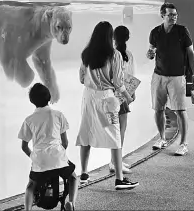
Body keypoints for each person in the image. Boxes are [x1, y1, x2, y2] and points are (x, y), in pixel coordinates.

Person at [76, 21, 139, 190]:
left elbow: (81, 78)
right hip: (107, 99)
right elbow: (118, 82)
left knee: (86, 133)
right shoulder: (115, 54)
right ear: (110, 36)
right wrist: (128, 96)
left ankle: (83, 174)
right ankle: (119, 179)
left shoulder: (86, 53)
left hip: (88, 97)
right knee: (114, 136)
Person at [146, 2, 194, 156]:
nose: (173, 17)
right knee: (158, 110)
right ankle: (162, 138)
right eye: (170, 15)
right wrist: (149, 54)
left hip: (177, 77)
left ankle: (183, 144)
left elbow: (191, 53)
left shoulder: (182, 31)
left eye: (175, 15)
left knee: (180, 110)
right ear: (162, 15)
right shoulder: (155, 32)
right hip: (158, 76)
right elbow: (150, 51)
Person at [18, 83, 78, 211]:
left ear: (32, 101)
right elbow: (65, 142)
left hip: (39, 161)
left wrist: (33, 157)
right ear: (49, 97)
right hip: (58, 158)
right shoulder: (58, 115)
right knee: (73, 177)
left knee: (30, 186)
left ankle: (27, 209)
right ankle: (71, 203)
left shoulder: (29, 120)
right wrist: (59, 155)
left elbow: (24, 146)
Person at [108, 25, 136, 174]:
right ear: (128, 38)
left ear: (113, 38)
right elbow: (131, 75)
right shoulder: (127, 54)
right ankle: (114, 162)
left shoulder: (111, 54)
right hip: (123, 94)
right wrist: (131, 94)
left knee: (116, 129)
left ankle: (116, 160)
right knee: (121, 130)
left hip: (112, 94)